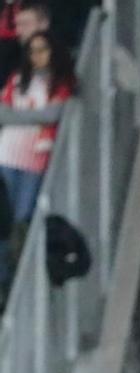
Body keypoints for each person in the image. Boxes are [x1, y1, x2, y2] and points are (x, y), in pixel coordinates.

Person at [0, 27, 73, 230]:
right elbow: (2, 113)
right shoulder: (17, 79)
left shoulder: (60, 82)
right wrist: (34, 119)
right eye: (32, 51)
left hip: (35, 159)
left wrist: (17, 116)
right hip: (6, 154)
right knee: (5, 215)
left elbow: (52, 115)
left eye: (43, 50)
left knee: (24, 214)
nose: (37, 55)